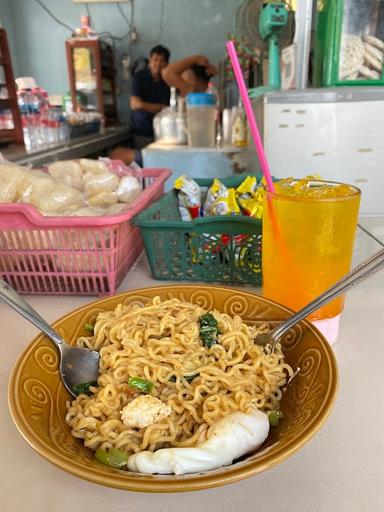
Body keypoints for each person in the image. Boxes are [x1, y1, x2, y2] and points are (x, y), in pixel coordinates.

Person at [110, 45, 171, 165]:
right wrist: (161, 108)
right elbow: (135, 104)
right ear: (150, 60)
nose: (158, 64)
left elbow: (170, 109)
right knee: (143, 165)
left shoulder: (168, 82)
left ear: (167, 63)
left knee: (162, 164)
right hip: (142, 132)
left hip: (163, 135)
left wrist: (150, 106)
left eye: (162, 61)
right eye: (155, 60)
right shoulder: (139, 77)